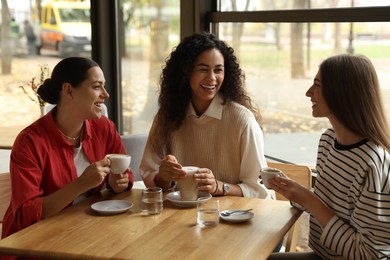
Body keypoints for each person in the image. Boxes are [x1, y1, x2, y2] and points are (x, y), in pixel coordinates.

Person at [268, 54, 390, 259]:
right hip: (321, 254)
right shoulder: (328, 140)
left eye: (317, 85)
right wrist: (293, 192)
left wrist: (309, 199)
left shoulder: (373, 163)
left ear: (341, 93)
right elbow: (330, 205)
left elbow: (370, 255)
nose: (308, 92)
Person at [2, 57, 134, 239]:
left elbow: (125, 177)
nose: (106, 94)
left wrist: (116, 184)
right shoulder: (29, 142)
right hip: (35, 244)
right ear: (68, 90)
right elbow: (26, 213)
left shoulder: (105, 128)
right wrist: (81, 184)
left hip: (85, 231)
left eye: (104, 86)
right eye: (96, 86)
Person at [140, 32, 273, 199]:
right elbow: (149, 174)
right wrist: (164, 177)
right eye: (203, 69)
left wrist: (218, 187)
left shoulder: (242, 120)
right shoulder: (167, 116)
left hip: (234, 217)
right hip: (181, 215)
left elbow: (260, 191)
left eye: (218, 70)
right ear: (185, 72)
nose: (211, 78)